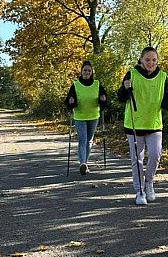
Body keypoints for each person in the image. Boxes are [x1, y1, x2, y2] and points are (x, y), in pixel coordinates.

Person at [117, 46, 168, 206]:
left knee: (155, 154)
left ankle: (149, 183)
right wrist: (125, 89)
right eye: (147, 59)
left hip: (154, 123)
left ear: (157, 61)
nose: (150, 63)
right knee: (137, 159)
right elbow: (120, 97)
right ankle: (139, 191)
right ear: (141, 60)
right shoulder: (131, 74)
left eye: (154, 60)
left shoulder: (163, 77)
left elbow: (166, 101)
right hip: (134, 123)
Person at [64, 60, 107, 175]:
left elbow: (104, 99)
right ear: (81, 71)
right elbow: (68, 102)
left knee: (89, 140)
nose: (87, 72)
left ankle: (85, 164)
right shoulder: (75, 85)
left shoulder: (97, 84)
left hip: (94, 116)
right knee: (83, 139)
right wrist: (71, 102)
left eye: (89, 70)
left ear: (92, 72)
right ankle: (82, 163)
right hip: (80, 116)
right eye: (85, 70)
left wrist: (103, 100)